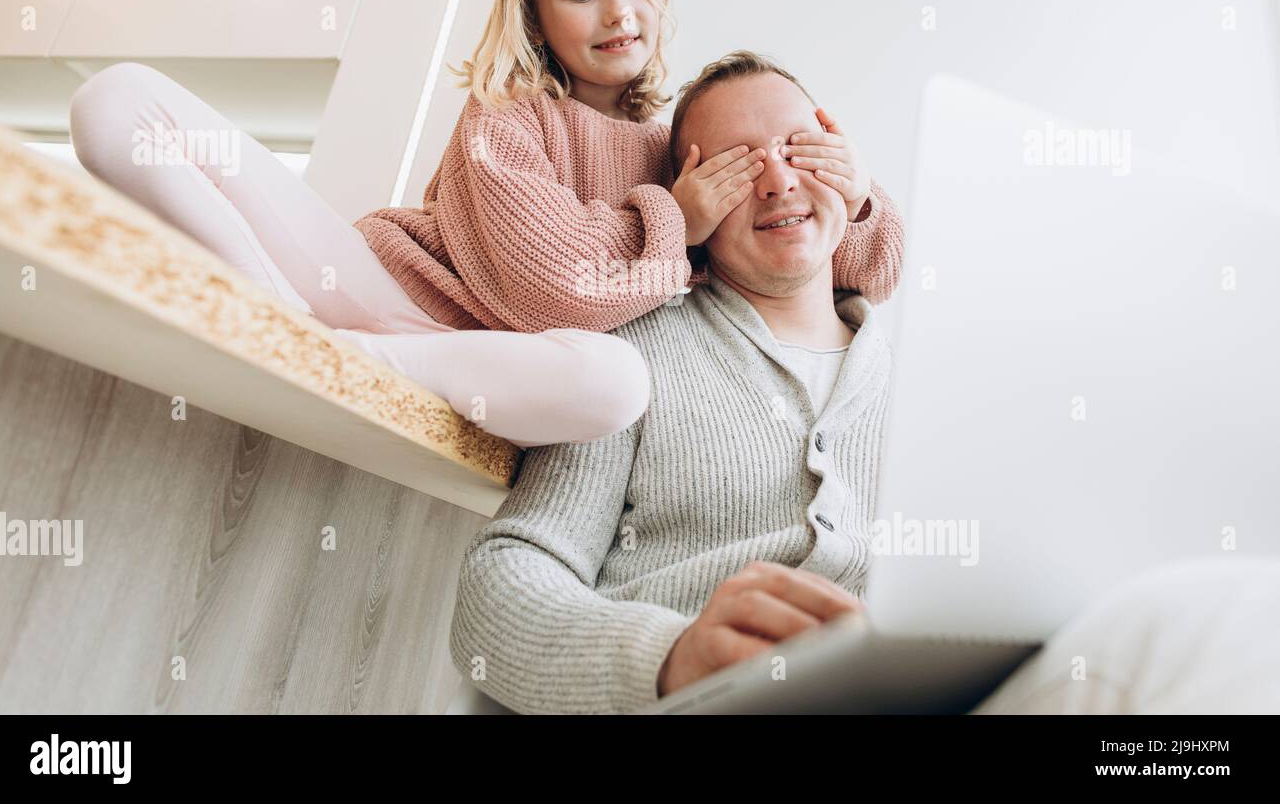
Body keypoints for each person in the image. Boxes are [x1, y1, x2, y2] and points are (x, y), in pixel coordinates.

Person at [447, 51, 1280, 715]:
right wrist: (665, 656)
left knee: (1235, 623)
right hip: (710, 702)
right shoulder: (634, 356)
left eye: (798, 149)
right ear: (691, 198)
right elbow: (501, 585)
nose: (775, 180)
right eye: (737, 164)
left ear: (845, 168)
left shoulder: (946, 376)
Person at [67, 0, 904, 449]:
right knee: (120, 102)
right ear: (536, 16)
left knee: (616, 385)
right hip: (375, 287)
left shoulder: (680, 149)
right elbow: (547, 290)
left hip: (478, 364)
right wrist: (672, 225)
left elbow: (855, 270)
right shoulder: (511, 113)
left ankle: (326, 355)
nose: (619, 12)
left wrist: (858, 197)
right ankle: (287, 326)